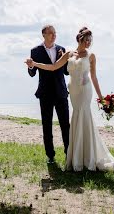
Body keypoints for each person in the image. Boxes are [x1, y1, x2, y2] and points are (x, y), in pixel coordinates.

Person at [26, 27, 114, 172]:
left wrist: (101, 98)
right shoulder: (68, 53)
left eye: (90, 40)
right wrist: (34, 64)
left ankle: (86, 156)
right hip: (73, 92)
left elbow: (94, 77)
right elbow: (52, 67)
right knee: (74, 119)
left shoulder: (91, 55)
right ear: (79, 39)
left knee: (79, 119)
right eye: (86, 40)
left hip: (84, 91)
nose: (88, 43)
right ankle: (73, 156)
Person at [27, 25, 70, 164]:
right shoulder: (35, 51)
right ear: (44, 35)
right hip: (45, 93)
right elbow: (32, 73)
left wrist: (69, 63)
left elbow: (66, 72)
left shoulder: (62, 49)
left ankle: (68, 153)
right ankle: (50, 156)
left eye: (55, 33)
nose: (53, 35)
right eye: (50, 33)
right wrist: (30, 66)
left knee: (65, 125)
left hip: (61, 92)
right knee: (47, 125)